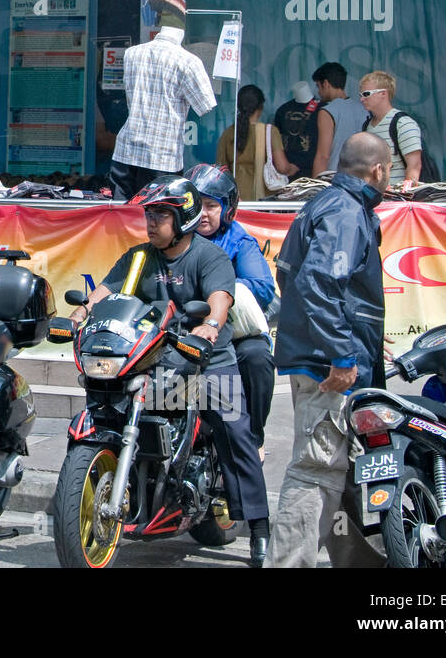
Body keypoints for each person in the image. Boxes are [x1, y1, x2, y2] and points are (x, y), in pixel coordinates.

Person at [71, 176, 271, 566]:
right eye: (149, 214)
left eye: (161, 214)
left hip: (204, 361)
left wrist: (210, 325)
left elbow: (220, 297)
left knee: (235, 432)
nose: (151, 222)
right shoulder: (139, 258)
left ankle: (258, 527)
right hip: (153, 358)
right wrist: (80, 314)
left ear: (183, 218)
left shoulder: (208, 256)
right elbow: (107, 291)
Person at [267, 132, 391, 569]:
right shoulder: (344, 211)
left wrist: (361, 337)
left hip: (325, 355)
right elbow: (318, 283)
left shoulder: (328, 204)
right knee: (316, 470)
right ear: (378, 170)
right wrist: (341, 351)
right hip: (328, 366)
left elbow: (293, 277)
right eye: (388, 169)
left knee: (345, 469)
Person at [186, 163, 276, 454]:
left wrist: (219, 291)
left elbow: (262, 288)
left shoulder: (239, 240)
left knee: (257, 356)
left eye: (212, 205)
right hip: (183, 332)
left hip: (232, 333)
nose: (203, 213)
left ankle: (253, 439)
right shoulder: (173, 239)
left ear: (228, 209)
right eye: (197, 204)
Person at [108, 8, 216, 200]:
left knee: (122, 220)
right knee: (161, 220)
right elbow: (205, 104)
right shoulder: (189, 62)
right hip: (162, 155)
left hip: (126, 151)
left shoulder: (132, 53)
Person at [215, 84, 297, 201]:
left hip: (237, 199)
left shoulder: (228, 133)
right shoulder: (270, 131)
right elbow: (282, 167)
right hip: (264, 199)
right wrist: (292, 168)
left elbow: (221, 170)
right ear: (261, 107)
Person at [357, 70, 422, 188]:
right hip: (373, 197)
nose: (362, 99)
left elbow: (414, 167)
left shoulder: (403, 123)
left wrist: (404, 198)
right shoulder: (367, 126)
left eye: (366, 94)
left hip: (396, 200)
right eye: (360, 95)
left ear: (383, 94)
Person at [310, 62, 369, 177]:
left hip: (337, 178)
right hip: (363, 177)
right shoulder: (364, 109)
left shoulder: (327, 111)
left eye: (318, 86)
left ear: (326, 83)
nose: (318, 92)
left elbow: (323, 156)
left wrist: (314, 187)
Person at [273, 80, 320, 180]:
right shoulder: (282, 110)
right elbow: (276, 141)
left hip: (313, 172)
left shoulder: (322, 109)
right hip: (285, 172)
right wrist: (286, 166)